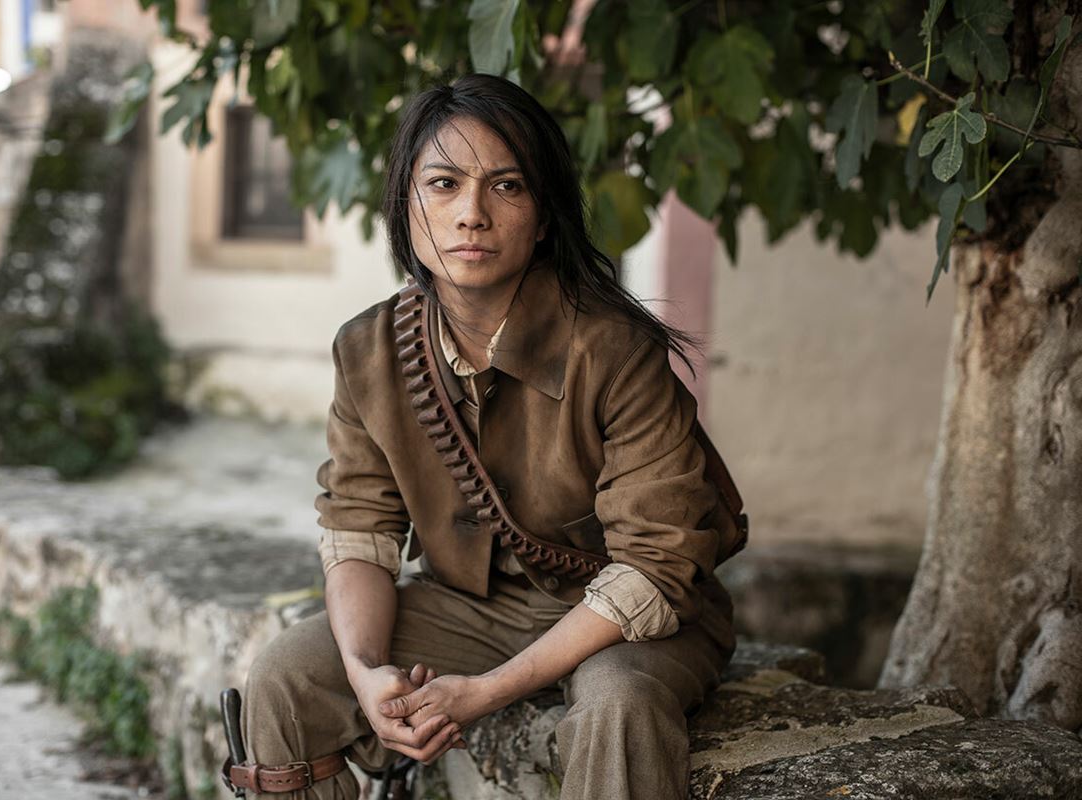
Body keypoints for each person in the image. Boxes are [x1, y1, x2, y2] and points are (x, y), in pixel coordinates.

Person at [239, 73, 745, 800]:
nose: (471, 214)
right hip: (469, 610)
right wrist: (364, 670)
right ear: (406, 206)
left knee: (620, 707)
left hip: (627, 619)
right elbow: (359, 530)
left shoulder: (615, 348)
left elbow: (657, 564)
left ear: (542, 218)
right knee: (285, 679)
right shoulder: (369, 350)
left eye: (506, 186)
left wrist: (487, 691)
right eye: (443, 184)